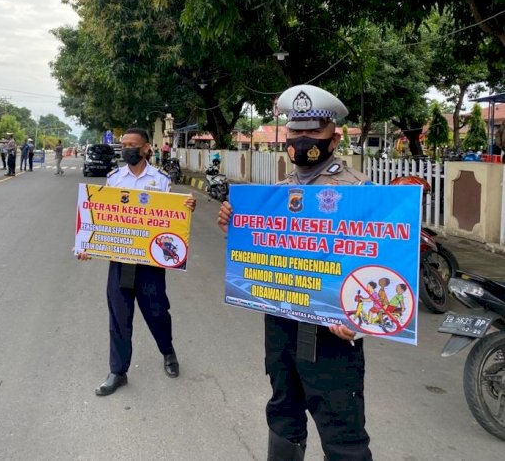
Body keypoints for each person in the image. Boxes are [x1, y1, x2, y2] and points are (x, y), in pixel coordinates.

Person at [217, 84, 373, 460]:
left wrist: (358, 318)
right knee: (283, 414)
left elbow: (375, 264)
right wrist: (237, 225)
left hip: (333, 335)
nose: (301, 140)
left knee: (342, 432)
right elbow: (263, 253)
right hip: (282, 326)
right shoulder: (276, 193)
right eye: (294, 132)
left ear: (334, 138)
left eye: (313, 132)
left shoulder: (360, 191)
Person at [78, 128, 196, 396]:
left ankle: (168, 352)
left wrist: (187, 209)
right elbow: (101, 218)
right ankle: (117, 371)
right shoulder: (113, 179)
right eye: (124, 145)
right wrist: (87, 246)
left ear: (145, 149)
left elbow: (172, 217)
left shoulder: (161, 180)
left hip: (149, 262)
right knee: (119, 316)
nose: (127, 149)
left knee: (157, 312)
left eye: (133, 145)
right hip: (120, 260)